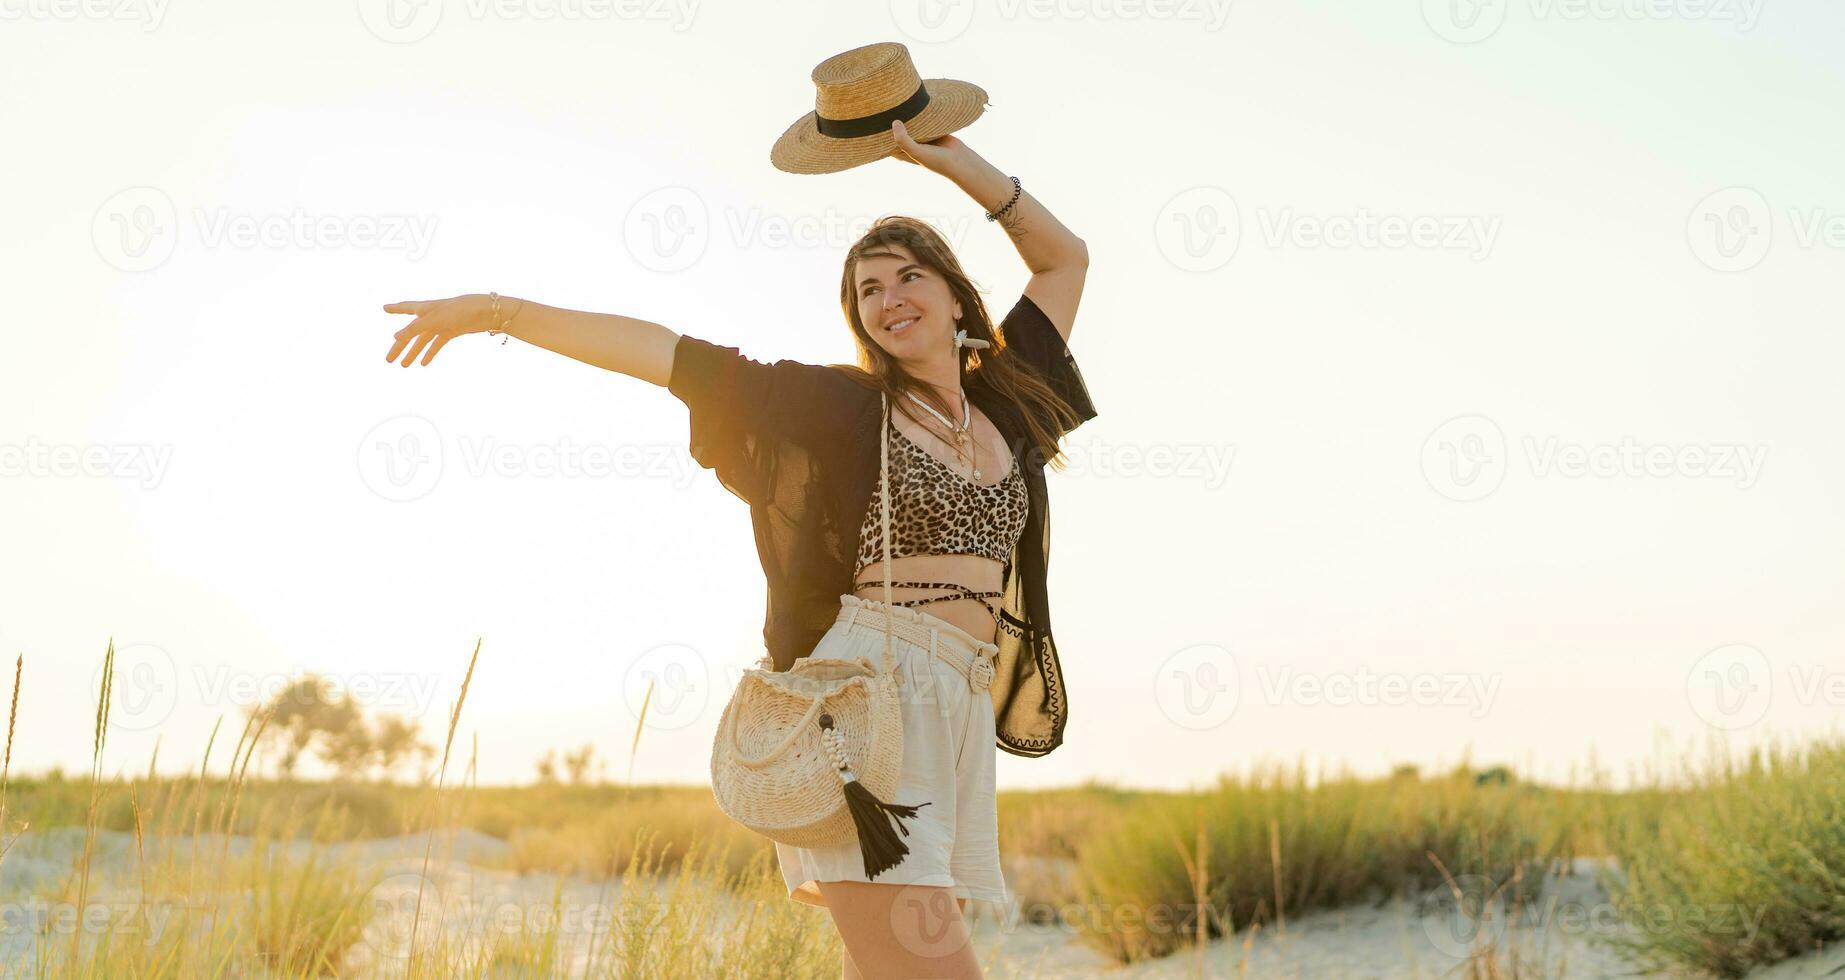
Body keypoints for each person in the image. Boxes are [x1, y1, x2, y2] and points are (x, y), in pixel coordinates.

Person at [382, 117, 1094, 980]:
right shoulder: (839, 407)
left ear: (955, 297)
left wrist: (954, 166)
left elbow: (1064, 259)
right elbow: (669, 356)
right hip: (867, 695)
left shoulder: (1012, 404)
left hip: (955, 702)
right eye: (868, 290)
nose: (890, 297)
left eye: (911, 276)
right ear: (860, 319)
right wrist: (499, 312)